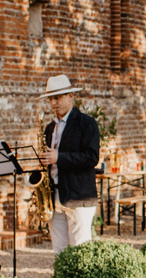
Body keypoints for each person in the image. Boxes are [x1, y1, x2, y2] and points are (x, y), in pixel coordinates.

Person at [38, 74, 100, 251]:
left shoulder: (87, 124)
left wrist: (59, 158)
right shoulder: (50, 128)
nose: (53, 103)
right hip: (55, 196)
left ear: (71, 96)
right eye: (51, 99)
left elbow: (91, 158)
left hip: (78, 197)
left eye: (57, 98)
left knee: (80, 252)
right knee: (59, 252)